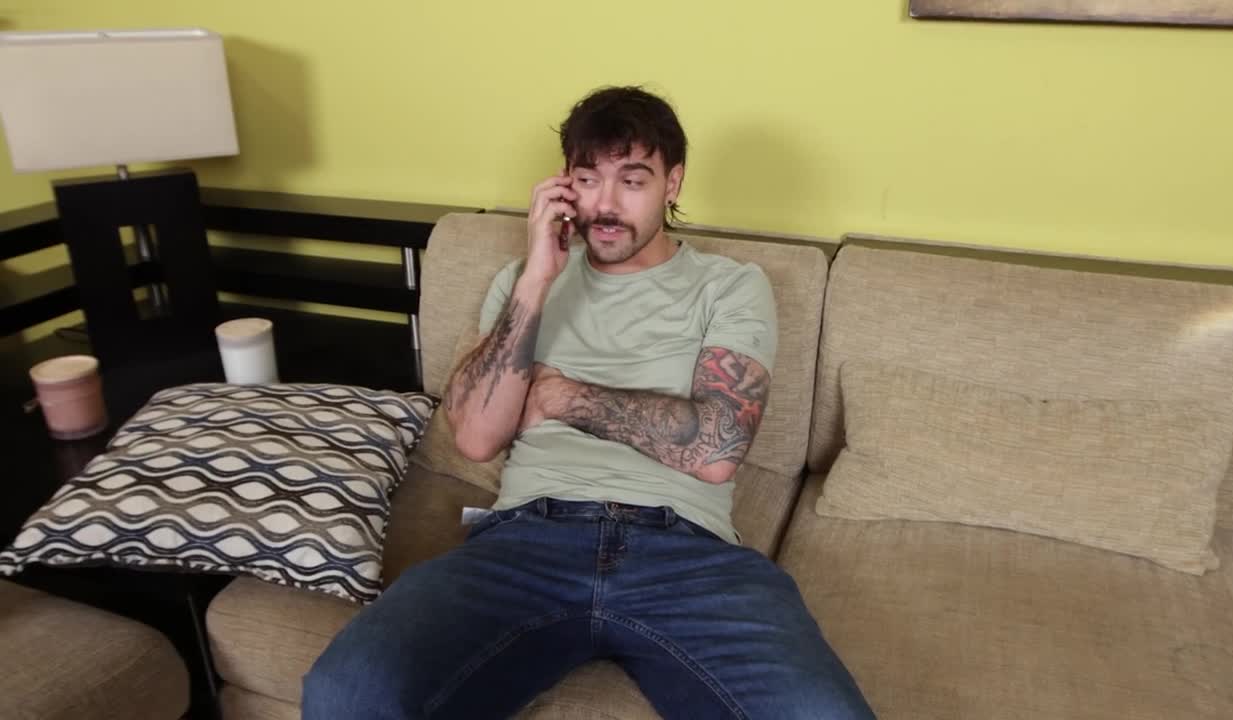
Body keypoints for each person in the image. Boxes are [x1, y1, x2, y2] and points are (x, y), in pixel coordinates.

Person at [303, 86, 876, 720]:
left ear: (672, 183)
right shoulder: (521, 284)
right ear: (563, 184)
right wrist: (537, 276)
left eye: (632, 180)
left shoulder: (730, 286)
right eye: (586, 179)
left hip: (688, 557)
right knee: (345, 690)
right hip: (525, 543)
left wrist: (558, 394)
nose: (605, 205)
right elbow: (476, 438)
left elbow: (715, 449)